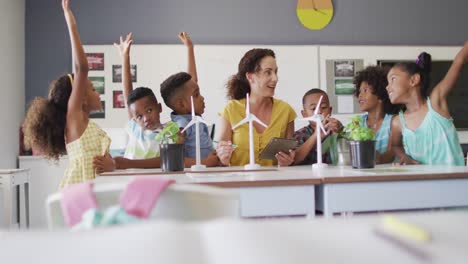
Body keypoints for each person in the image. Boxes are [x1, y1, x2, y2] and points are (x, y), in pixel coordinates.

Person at [22, 0, 113, 189]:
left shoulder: (91, 127)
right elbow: (82, 69)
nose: (98, 94)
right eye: (93, 89)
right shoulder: (75, 120)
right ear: (81, 99)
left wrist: (111, 164)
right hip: (78, 192)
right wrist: (71, 23)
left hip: (94, 190)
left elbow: (104, 161)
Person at [387, 42, 468, 165]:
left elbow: (459, 61)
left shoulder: (436, 103)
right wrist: (404, 157)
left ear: (414, 80)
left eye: (393, 79)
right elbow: (396, 146)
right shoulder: (397, 122)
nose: (388, 87)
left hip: (454, 182)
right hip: (423, 184)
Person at [216, 48, 297, 166]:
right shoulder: (230, 110)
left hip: (275, 181)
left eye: (276, 72)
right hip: (239, 182)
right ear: (250, 77)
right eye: (268, 72)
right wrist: (222, 159)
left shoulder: (286, 111)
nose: (275, 78)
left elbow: (290, 156)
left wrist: (288, 161)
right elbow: (219, 159)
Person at [98, 33, 165, 170]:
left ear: (159, 107)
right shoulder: (136, 129)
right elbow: (128, 96)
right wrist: (125, 58)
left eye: (149, 110)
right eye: (139, 116)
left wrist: (126, 163)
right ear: (134, 119)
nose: (145, 118)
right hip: (127, 179)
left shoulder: (168, 133)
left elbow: (163, 160)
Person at [159, 32, 219, 167]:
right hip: (194, 175)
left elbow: (192, 80)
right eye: (197, 95)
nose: (202, 98)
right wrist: (206, 162)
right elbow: (176, 159)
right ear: (181, 104)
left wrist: (190, 48)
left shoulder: (192, 116)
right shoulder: (181, 126)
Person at [353, 65, 400, 164]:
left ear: (380, 95)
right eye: (359, 91)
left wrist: (372, 156)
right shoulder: (357, 123)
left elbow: (390, 155)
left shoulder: (394, 121)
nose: (360, 95)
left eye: (365, 90)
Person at [294, 89, 342, 165]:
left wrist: (339, 133)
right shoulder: (300, 135)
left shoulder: (337, 129)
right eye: (314, 109)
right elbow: (294, 159)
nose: (319, 111)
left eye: (323, 107)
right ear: (304, 114)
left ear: (330, 110)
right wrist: (315, 136)